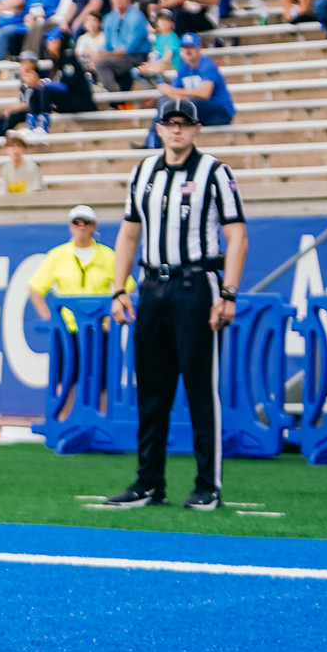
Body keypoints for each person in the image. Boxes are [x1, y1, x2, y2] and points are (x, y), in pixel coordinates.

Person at [104, 100, 248, 512]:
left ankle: (208, 485)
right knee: (151, 389)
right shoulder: (143, 171)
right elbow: (129, 234)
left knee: (201, 389)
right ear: (160, 129)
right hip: (152, 285)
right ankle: (149, 482)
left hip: (195, 285)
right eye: (170, 124)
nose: (177, 131)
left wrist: (229, 293)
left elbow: (236, 236)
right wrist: (119, 289)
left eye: (184, 124)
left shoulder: (215, 173)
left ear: (197, 130)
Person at [27, 205, 128, 332]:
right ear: (70, 226)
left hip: (100, 329)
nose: (81, 226)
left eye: (86, 222)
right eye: (76, 222)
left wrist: (114, 319)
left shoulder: (108, 256)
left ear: (94, 226)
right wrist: (52, 320)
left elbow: (128, 288)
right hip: (68, 331)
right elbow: (36, 288)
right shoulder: (57, 255)